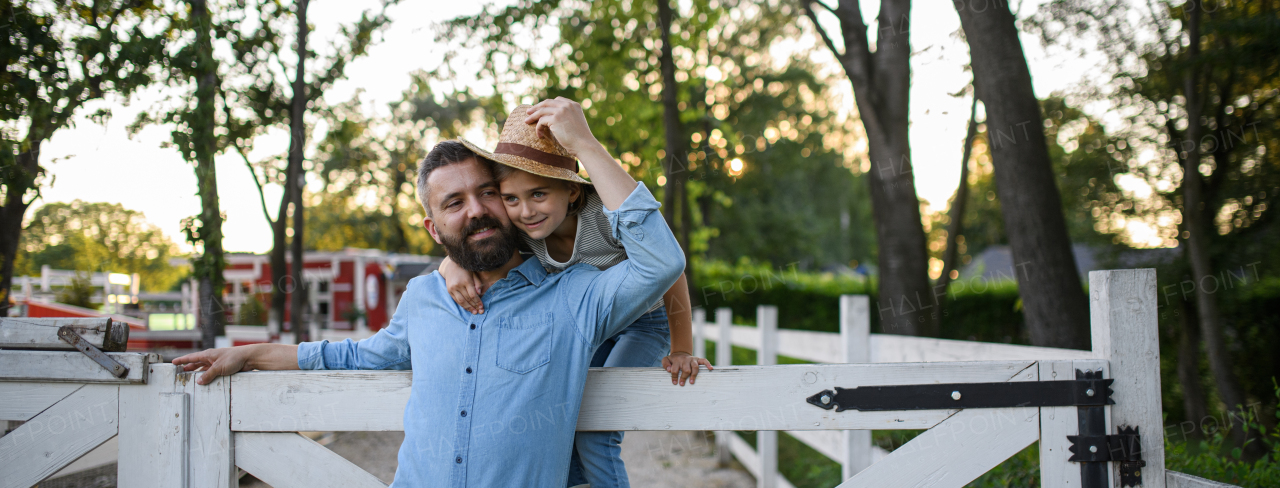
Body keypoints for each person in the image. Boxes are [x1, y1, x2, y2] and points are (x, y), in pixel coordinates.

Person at [171, 97, 688, 487]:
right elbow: (355, 355)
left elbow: (662, 263)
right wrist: (253, 353)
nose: (479, 210)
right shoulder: (422, 297)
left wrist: (587, 146)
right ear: (433, 229)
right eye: (454, 202)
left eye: (488, 193)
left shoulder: (576, 292)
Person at [439, 104, 710, 488]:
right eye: (511, 199)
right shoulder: (523, 235)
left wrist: (681, 346)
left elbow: (671, 271)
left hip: (643, 324)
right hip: (591, 328)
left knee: (596, 434)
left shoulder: (603, 214)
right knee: (558, 420)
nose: (526, 211)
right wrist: (452, 264)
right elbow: (476, 251)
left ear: (570, 190)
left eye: (537, 194)